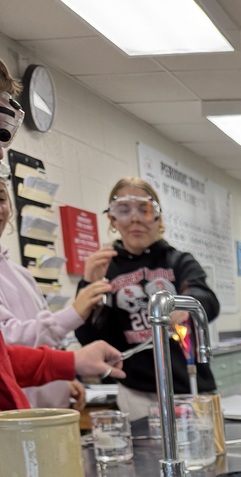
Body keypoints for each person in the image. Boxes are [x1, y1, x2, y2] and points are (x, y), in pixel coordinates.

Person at [0, 60, 125, 410]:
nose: (1, 149)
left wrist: (65, 366)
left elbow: (6, 358)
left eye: (5, 125)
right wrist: (74, 315)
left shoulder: (18, 275)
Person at [75, 177, 220, 421]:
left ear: (159, 219)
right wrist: (88, 284)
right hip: (137, 392)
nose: (135, 219)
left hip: (188, 387)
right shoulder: (106, 269)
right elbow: (89, 337)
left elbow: (207, 300)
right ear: (112, 220)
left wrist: (185, 306)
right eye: (124, 210)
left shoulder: (179, 262)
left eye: (145, 210)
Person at [0, 175, 112, 410]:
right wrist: (74, 314)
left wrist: (62, 378)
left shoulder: (21, 275)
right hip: (18, 418)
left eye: (1, 199)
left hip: (50, 412)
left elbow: (44, 346)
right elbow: (8, 347)